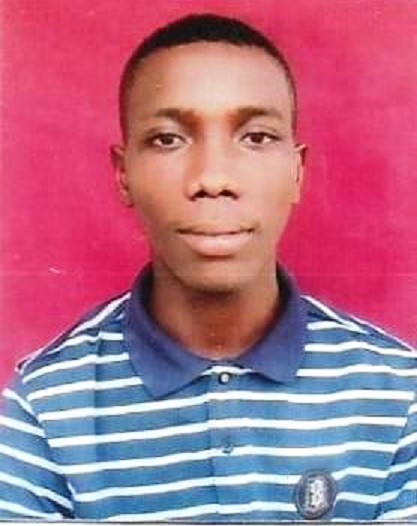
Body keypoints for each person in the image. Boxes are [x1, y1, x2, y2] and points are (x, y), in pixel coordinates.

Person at [0, 13, 416, 522]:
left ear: (297, 172)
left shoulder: (398, 395)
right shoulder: (44, 411)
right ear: (123, 174)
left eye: (256, 137)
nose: (213, 178)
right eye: (168, 139)